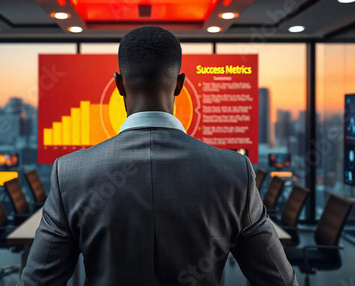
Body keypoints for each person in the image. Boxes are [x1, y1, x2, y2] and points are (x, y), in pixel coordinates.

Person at [20, 26, 297, 286]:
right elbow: (279, 282)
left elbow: (38, 282)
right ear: (179, 84)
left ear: (118, 84)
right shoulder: (236, 172)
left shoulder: (69, 173)